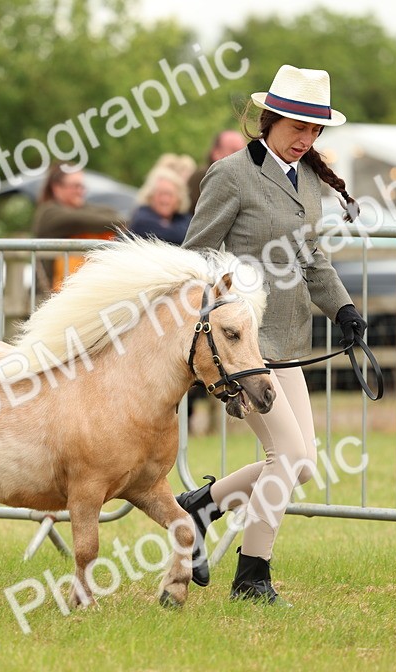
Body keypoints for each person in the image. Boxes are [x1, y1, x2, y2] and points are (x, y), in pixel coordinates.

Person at [180, 65, 368, 606]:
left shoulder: (307, 179)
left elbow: (313, 260)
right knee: (284, 456)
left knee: (301, 464)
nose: (307, 140)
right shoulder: (231, 174)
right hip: (243, 348)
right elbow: (197, 257)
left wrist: (345, 309)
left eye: (315, 131)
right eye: (298, 128)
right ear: (271, 120)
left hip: (290, 341)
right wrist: (222, 314)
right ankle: (251, 576)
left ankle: (202, 505)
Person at [31, 162, 124, 291]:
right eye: (75, 186)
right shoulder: (48, 212)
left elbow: (110, 214)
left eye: (82, 187)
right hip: (46, 295)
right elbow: (80, 220)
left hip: (71, 292)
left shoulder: (83, 209)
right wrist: (122, 220)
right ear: (57, 188)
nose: (80, 191)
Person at [127, 166, 191, 245]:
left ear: (178, 199)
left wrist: (166, 226)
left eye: (169, 194)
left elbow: (186, 235)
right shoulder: (141, 216)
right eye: (160, 194)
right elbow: (178, 236)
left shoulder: (184, 219)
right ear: (151, 196)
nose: (165, 200)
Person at [188, 130, 247, 210]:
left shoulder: (250, 179)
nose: (241, 156)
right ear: (216, 152)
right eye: (234, 151)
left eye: (243, 151)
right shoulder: (200, 177)